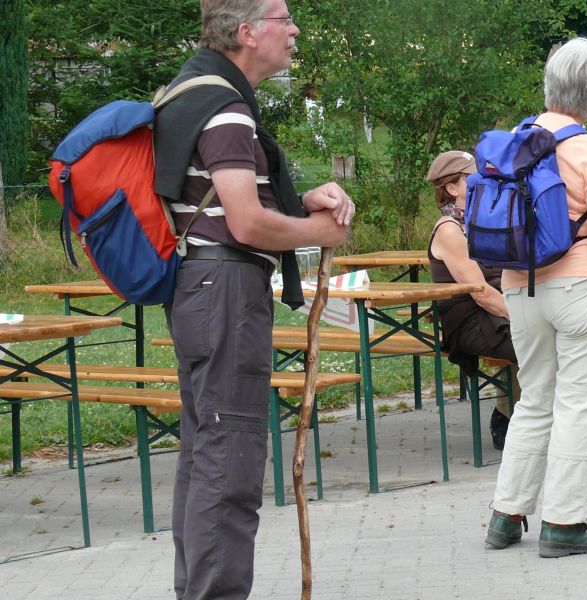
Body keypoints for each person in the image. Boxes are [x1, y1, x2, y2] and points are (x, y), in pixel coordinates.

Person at [153, 2, 354, 598]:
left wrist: (299, 199)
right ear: (247, 32)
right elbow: (243, 223)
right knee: (230, 456)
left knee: (205, 448)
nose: (294, 32)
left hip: (198, 287)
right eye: (284, 19)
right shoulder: (225, 110)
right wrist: (319, 233)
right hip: (225, 292)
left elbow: (215, 201)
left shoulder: (190, 91)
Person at [425, 151, 587, 474]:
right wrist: (528, 319)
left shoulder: (478, 217)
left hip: (501, 316)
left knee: (573, 345)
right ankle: (574, 455)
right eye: (470, 177)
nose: (482, 181)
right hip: (477, 326)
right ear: (451, 188)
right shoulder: (449, 229)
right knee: (557, 351)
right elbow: (482, 293)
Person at [485, 38, 587, 557]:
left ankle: (506, 515)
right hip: (581, 287)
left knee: (534, 399)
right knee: (579, 404)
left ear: (550, 86)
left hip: (519, 287)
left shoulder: (512, 142)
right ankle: (564, 523)